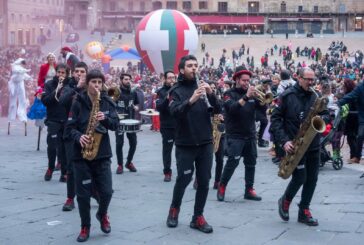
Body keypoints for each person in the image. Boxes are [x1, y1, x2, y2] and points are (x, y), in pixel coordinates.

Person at [270, 67, 329, 226]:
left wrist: (322, 117)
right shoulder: (287, 96)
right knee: (300, 177)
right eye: (307, 79)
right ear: (298, 78)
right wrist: (284, 141)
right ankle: (285, 200)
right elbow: (275, 120)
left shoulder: (315, 96)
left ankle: (304, 210)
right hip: (294, 145)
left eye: (312, 80)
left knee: (312, 179)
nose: (311, 83)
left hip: (313, 144)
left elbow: (326, 114)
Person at [65, 69, 119, 242]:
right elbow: (68, 128)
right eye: (93, 82)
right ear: (87, 83)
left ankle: (102, 214)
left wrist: (105, 119)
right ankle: (85, 226)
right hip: (81, 155)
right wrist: (79, 136)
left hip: (102, 154)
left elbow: (116, 125)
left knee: (107, 192)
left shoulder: (107, 102)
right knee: (82, 196)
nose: (97, 85)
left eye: (99, 82)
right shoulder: (77, 102)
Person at [166, 55, 218, 233]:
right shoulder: (175, 91)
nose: (194, 68)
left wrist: (211, 94)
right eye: (190, 66)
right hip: (185, 143)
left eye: (196, 65)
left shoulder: (202, 87)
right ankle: (174, 209)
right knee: (184, 179)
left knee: (204, 181)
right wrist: (191, 100)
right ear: (181, 70)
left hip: (205, 142)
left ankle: (198, 217)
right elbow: (175, 112)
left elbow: (218, 110)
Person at [216, 66, 262, 202]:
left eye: (248, 80)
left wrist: (263, 100)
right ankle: (222, 185)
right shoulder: (228, 94)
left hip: (250, 134)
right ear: (236, 79)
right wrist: (247, 97)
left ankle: (249, 189)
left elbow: (261, 110)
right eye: (243, 80)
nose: (246, 83)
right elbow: (232, 109)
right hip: (235, 135)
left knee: (251, 163)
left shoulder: (252, 94)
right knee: (232, 162)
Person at [58, 62, 88, 211]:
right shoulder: (68, 86)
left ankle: (94, 192)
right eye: (77, 71)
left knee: (91, 166)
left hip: (88, 132)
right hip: (71, 132)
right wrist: (77, 88)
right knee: (71, 167)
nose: (79, 74)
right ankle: (70, 198)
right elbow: (62, 102)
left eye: (82, 71)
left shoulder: (93, 86)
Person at [41, 64, 69, 182]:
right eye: (59, 72)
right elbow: (45, 101)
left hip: (66, 120)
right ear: (56, 73)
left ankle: (64, 172)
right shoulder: (49, 84)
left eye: (63, 73)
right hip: (53, 120)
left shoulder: (70, 85)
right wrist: (56, 90)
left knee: (63, 148)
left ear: (67, 74)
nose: (61, 75)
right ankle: (50, 168)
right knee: (52, 146)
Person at [114, 73, 139, 174]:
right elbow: (108, 104)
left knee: (133, 143)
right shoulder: (115, 91)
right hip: (119, 121)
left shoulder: (133, 92)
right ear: (121, 80)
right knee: (119, 144)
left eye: (129, 79)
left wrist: (136, 107)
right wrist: (114, 113)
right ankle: (120, 165)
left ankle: (129, 162)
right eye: (125, 79)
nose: (128, 81)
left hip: (130, 121)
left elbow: (137, 104)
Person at [156, 70, 176, 182]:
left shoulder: (179, 89)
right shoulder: (160, 92)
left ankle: (183, 169)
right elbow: (158, 107)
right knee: (167, 150)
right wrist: (167, 98)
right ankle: (167, 172)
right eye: (170, 78)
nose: (172, 80)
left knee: (182, 151)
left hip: (179, 125)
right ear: (164, 79)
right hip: (167, 126)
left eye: (173, 78)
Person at [7, 58, 32, 135]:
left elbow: (25, 75)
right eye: (22, 64)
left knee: (22, 101)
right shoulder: (15, 67)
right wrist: (26, 70)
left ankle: (22, 115)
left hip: (20, 84)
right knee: (12, 103)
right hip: (14, 85)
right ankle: (11, 117)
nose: (23, 66)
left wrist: (30, 78)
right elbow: (17, 71)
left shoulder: (22, 70)